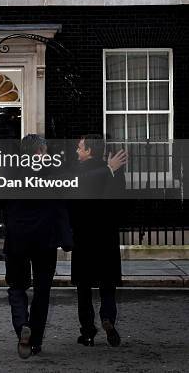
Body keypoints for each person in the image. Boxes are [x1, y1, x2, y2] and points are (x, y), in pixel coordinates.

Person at [0, 134, 73, 359]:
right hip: (45, 241)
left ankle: (22, 327)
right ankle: (36, 341)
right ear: (39, 152)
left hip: (18, 240)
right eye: (45, 150)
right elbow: (64, 205)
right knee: (42, 291)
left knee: (17, 287)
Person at [70, 135, 126, 348]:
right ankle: (107, 319)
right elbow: (121, 203)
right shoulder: (115, 169)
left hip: (84, 236)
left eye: (80, 147)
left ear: (89, 150)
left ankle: (88, 333)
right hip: (107, 235)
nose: (77, 151)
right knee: (108, 284)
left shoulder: (79, 171)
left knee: (83, 288)